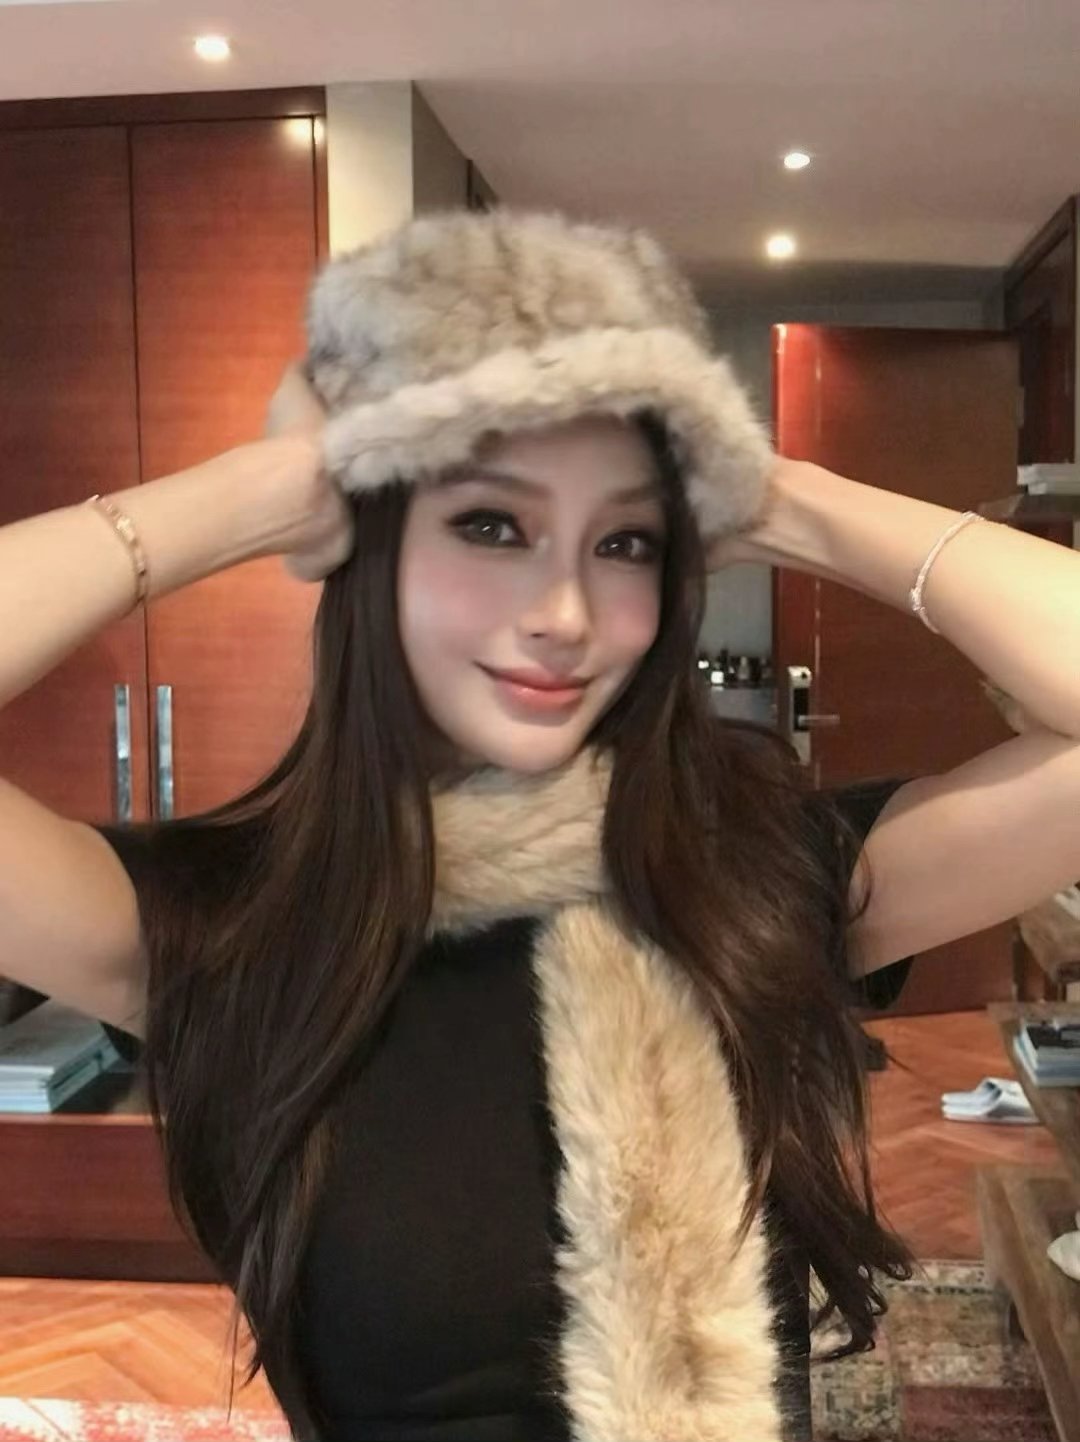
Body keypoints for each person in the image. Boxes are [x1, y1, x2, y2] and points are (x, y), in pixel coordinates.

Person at [2, 209, 1079, 1442]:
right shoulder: (233, 923)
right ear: (374, 546)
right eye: (490, 524)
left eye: (624, 540)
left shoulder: (751, 875)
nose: (565, 611)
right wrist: (264, 489)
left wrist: (789, 499)